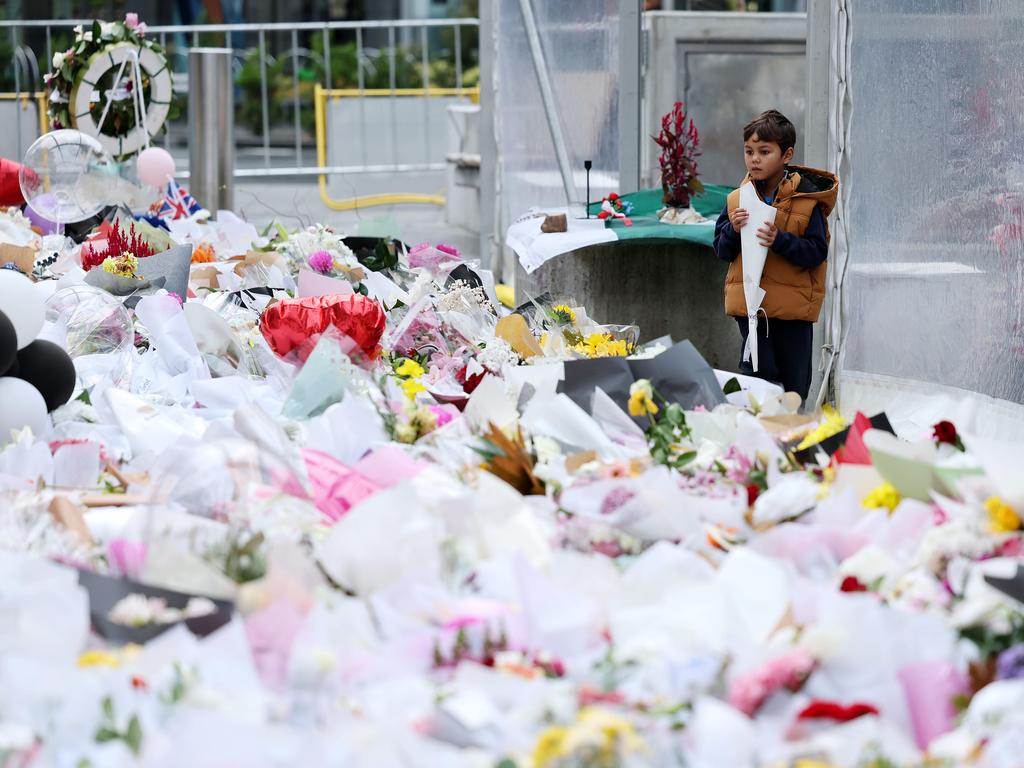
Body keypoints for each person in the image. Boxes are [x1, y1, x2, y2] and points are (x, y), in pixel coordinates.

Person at [712, 109, 838, 402]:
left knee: (793, 389)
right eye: (749, 151)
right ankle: (757, 443)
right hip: (753, 315)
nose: (754, 159)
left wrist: (779, 240)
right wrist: (733, 230)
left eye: (764, 151)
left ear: (786, 154)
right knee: (758, 386)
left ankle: (790, 440)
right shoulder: (736, 200)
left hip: (793, 316)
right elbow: (721, 249)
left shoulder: (807, 203)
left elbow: (817, 252)